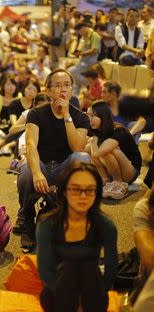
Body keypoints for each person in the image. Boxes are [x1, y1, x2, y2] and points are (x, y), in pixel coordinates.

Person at [15, 69, 91, 246]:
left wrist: (66, 116)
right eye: (57, 86)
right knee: (26, 173)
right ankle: (26, 217)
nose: (63, 90)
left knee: (83, 159)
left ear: (72, 89)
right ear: (48, 90)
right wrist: (36, 173)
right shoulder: (36, 113)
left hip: (64, 167)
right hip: (41, 165)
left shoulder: (81, 117)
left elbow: (78, 148)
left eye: (67, 85)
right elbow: (31, 145)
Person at [37, 161, 118, 312]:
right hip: (59, 290)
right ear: (64, 191)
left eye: (90, 190)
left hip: (92, 290)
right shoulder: (47, 224)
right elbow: (45, 271)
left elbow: (111, 270)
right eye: (75, 189)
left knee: (86, 268)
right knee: (70, 268)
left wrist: (98, 290)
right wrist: (69, 295)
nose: (83, 196)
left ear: (97, 193)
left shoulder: (106, 225)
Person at [87, 101, 141, 200]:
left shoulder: (119, 130)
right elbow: (86, 151)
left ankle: (118, 181)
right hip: (114, 169)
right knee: (92, 148)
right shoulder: (97, 131)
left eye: (92, 116)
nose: (89, 119)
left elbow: (99, 153)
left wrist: (93, 141)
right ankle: (105, 180)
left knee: (108, 150)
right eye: (88, 115)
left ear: (103, 116)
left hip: (130, 170)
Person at [69, 23, 102, 97]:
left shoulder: (94, 35)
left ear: (83, 28)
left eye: (79, 32)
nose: (80, 34)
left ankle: (90, 84)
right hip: (83, 61)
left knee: (71, 72)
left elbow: (95, 50)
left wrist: (81, 53)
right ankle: (74, 100)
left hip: (90, 62)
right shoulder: (84, 37)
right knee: (76, 83)